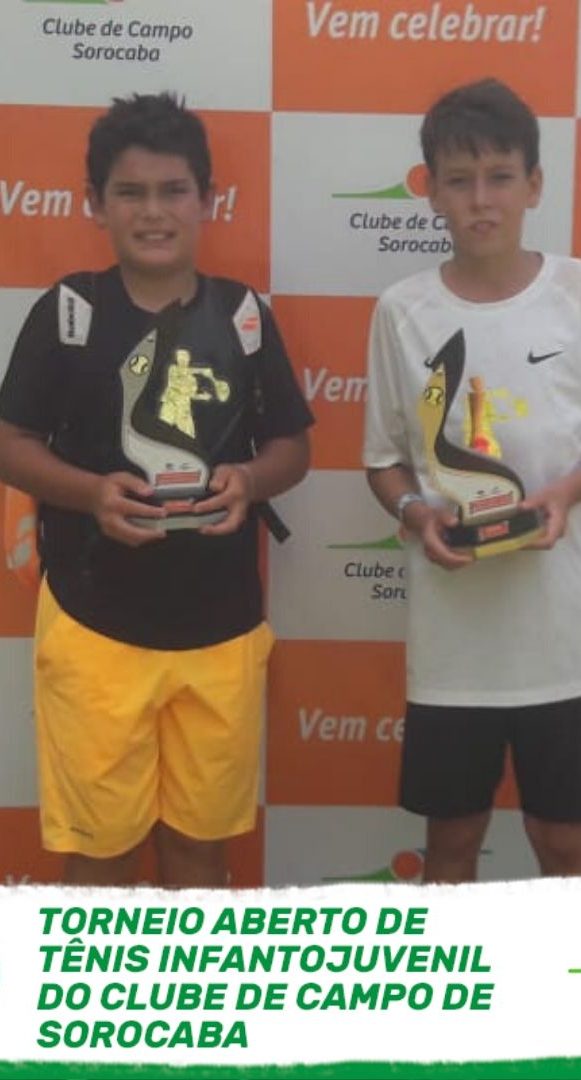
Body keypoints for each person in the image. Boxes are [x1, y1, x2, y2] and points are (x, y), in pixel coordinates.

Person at [0, 93, 312, 887]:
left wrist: (249, 479)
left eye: (173, 190)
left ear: (206, 199)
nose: (152, 211)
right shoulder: (70, 310)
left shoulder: (242, 314)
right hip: (95, 624)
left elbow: (291, 447)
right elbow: (10, 444)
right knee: (99, 854)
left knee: (200, 851)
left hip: (221, 627)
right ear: (95, 203)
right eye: (130, 192)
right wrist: (90, 494)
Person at [363, 78, 581, 883]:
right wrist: (415, 512)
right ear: (431, 192)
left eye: (498, 177)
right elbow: (383, 460)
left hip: (563, 637)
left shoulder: (573, 294)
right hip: (453, 645)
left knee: (564, 844)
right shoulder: (401, 310)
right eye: (459, 180)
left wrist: (564, 495)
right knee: (451, 845)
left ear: (534, 184)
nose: (480, 199)